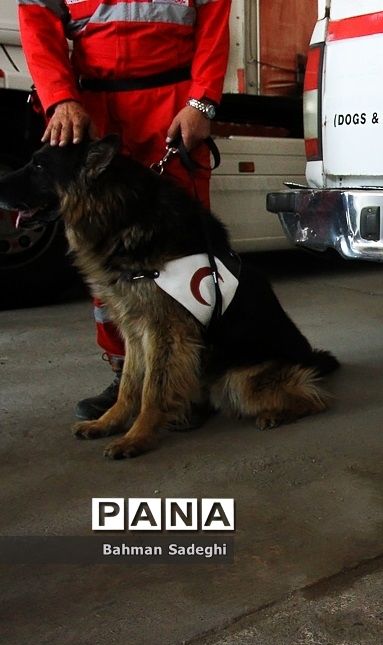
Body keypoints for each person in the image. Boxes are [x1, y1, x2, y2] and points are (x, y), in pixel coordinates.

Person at [18, 0, 231, 421]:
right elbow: (38, 24)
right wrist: (60, 98)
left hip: (172, 108)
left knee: (185, 256)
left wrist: (202, 103)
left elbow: (214, 25)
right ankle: (126, 375)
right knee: (104, 251)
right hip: (92, 112)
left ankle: (193, 379)